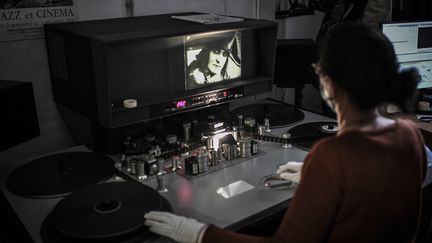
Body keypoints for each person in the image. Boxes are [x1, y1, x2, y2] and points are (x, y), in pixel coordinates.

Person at [144, 23, 427, 243]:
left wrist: (197, 233)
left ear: (328, 84)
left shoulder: (331, 157)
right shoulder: (409, 135)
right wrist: (321, 181)